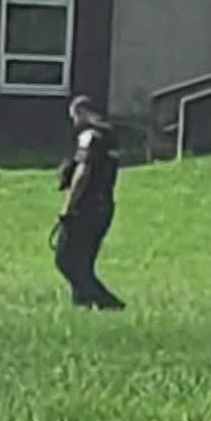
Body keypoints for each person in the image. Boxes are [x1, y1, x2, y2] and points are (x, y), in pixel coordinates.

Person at [54, 94, 125, 309]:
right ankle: (83, 303)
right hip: (104, 205)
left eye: (74, 117)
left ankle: (107, 303)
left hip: (86, 206)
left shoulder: (89, 137)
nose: (74, 123)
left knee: (65, 259)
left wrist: (68, 207)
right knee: (83, 261)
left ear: (82, 112)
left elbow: (83, 172)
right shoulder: (110, 136)